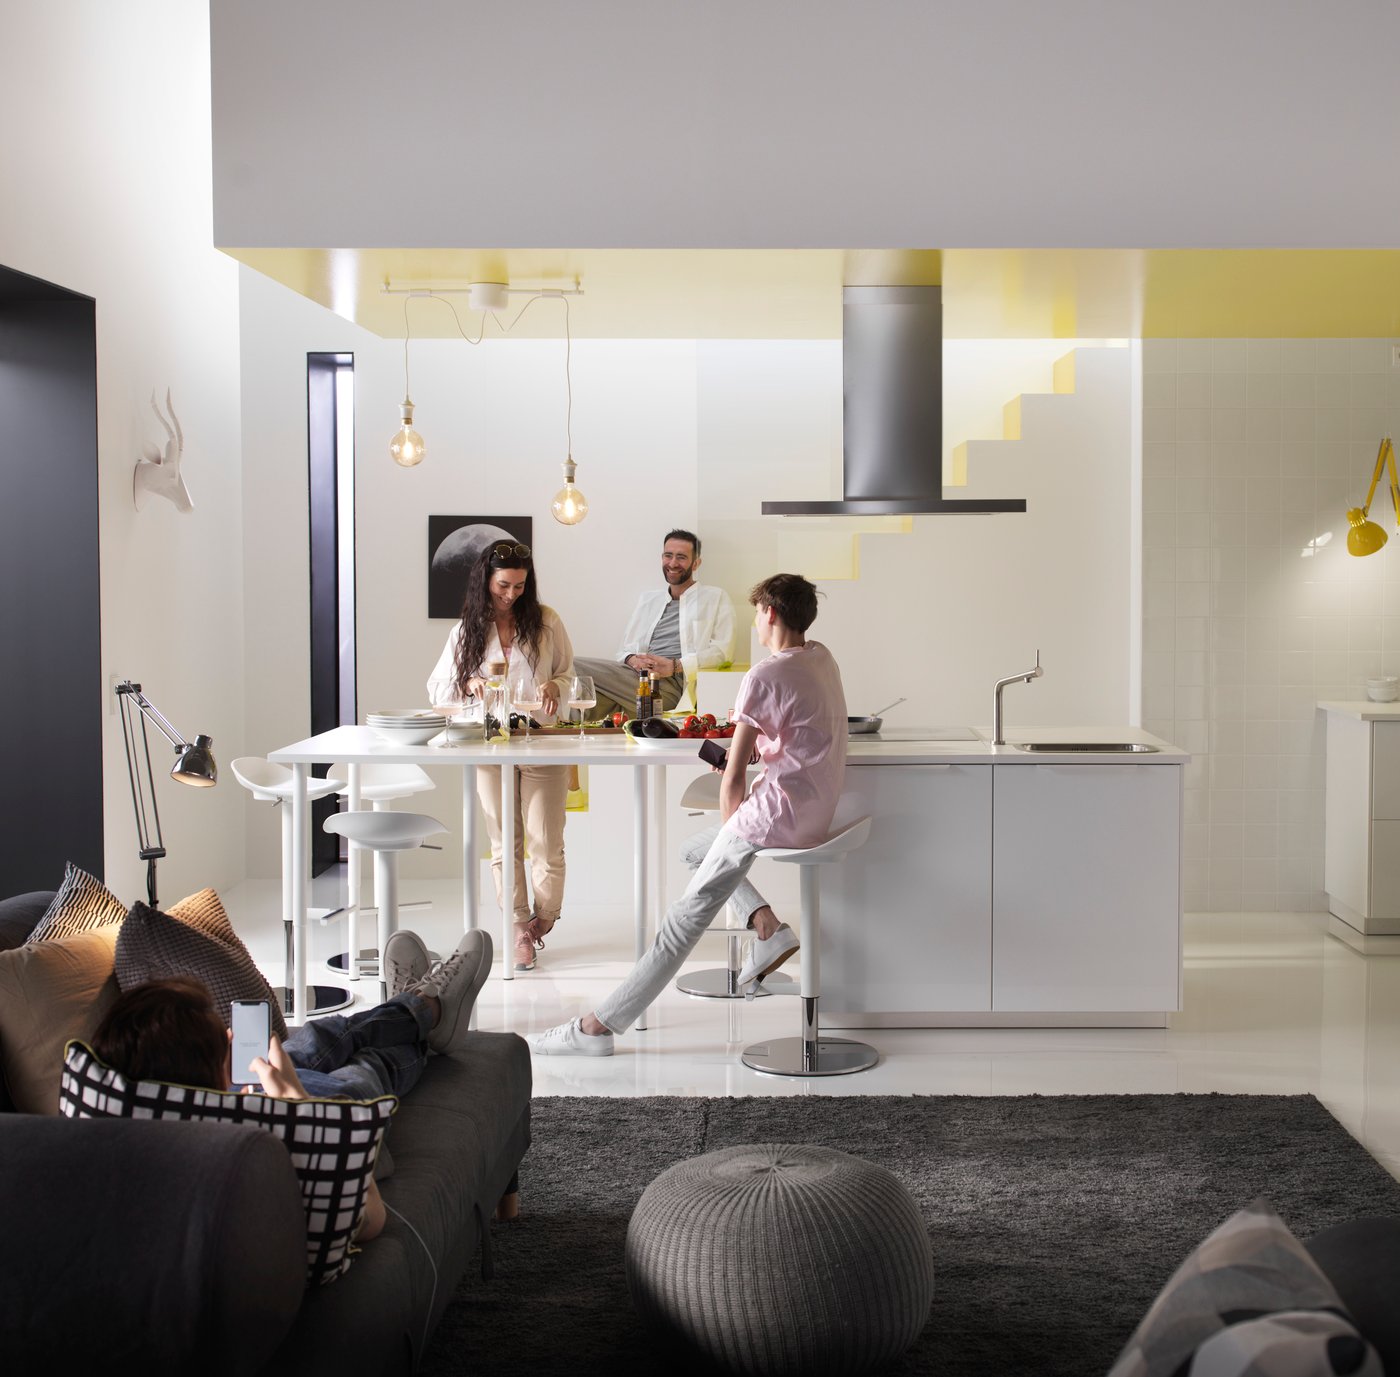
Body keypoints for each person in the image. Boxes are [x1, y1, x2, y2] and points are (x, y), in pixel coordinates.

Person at [528, 573, 846, 1057]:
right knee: (692, 850)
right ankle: (766, 927)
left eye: (758, 614)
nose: (756, 623)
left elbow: (734, 777)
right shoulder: (821, 658)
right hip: (816, 811)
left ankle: (599, 1027)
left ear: (771, 615)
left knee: (683, 919)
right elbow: (796, 733)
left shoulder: (763, 676)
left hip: (774, 813)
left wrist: (733, 828)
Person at [87, 928, 491, 1243]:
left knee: (318, 1036)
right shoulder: (240, 1166)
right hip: (319, 1110)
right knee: (366, 1065)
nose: (232, 1036)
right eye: (221, 1039)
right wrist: (298, 1106)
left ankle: (418, 1004)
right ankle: (427, 1010)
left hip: (252, 1097)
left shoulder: (145, 1129)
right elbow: (371, 1219)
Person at [427, 541, 576, 972]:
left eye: (519, 585)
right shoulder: (467, 629)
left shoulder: (547, 622)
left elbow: (568, 673)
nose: (511, 594)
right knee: (502, 843)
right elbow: (438, 689)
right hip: (490, 743)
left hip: (542, 741)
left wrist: (555, 688)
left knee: (546, 841)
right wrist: (469, 684)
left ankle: (542, 920)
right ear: (486, 581)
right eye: (503, 585)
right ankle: (517, 927)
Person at [572, 529, 735, 720]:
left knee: (572, 666)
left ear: (696, 563)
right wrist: (632, 658)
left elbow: (723, 653)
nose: (673, 563)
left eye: (681, 557)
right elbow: (625, 649)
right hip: (637, 678)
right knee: (589, 698)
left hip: (671, 686)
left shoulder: (715, 597)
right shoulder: (649, 600)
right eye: (668, 555)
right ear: (662, 558)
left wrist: (676, 666)